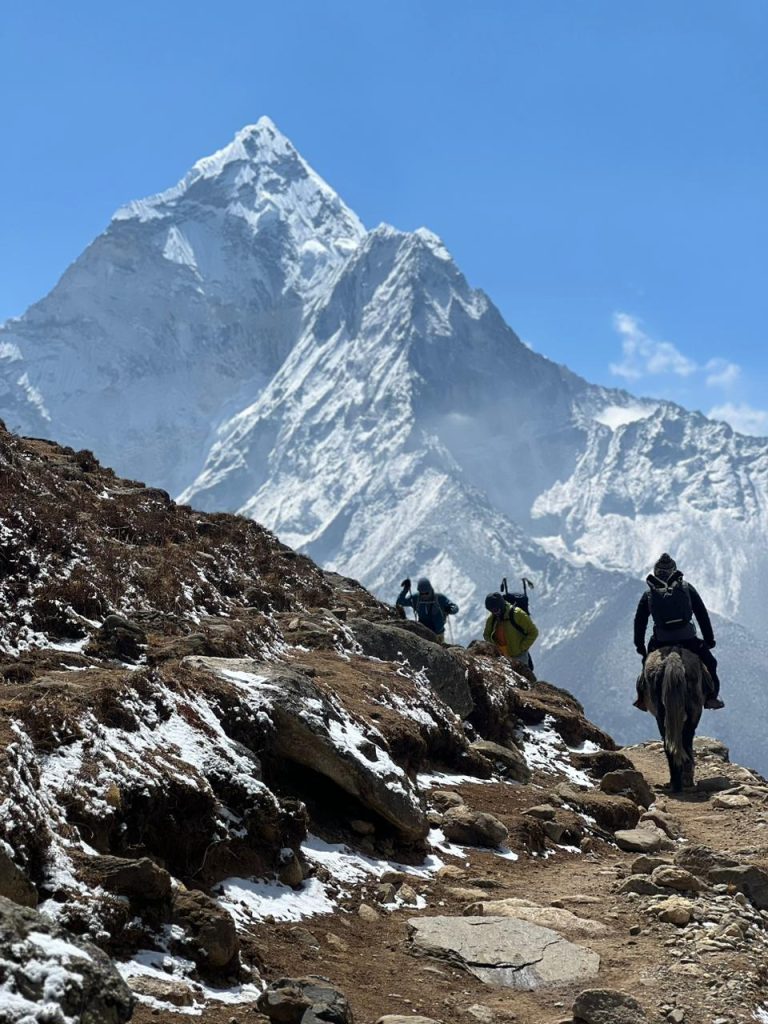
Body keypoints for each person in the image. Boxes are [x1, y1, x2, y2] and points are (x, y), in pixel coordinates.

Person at [633, 552, 724, 711]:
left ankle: (642, 699)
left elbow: (639, 622)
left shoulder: (649, 594)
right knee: (711, 664)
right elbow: (702, 615)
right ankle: (711, 697)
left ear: (656, 573)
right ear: (674, 571)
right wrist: (709, 641)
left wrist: (640, 647)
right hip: (689, 640)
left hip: (660, 641)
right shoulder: (687, 589)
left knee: (646, 668)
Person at [483, 592, 538, 670]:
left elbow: (533, 632)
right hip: (502, 658)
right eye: (490, 610)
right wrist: (495, 647)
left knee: (522, 680)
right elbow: (486, 635)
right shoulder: (492, 619)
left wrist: (522, 647)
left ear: (501, 605)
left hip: (519, 657)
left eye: (495, 609)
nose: (494, 612)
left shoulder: (517, 614)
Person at [396, 577, 458, 642]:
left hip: (438, 634)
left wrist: (451, 609)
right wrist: (406, 589)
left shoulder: (439, 598)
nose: (424, 595)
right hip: (423, 632)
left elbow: (455, 607)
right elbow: (400, 602)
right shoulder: (416, 598)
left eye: (426, 593)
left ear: (430, 589)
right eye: (422, 593)